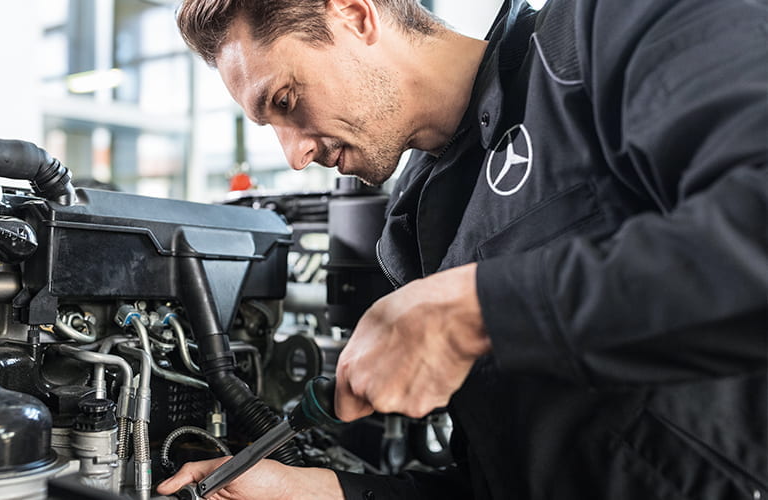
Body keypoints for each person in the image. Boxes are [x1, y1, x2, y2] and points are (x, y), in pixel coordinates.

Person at [158, 0, 768, 498]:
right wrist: (324, 492)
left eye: (286, 101)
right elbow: (498, 484)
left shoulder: (603, 29)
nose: (295, 155)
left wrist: (476, 311)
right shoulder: (415, 227)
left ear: (353, 14)